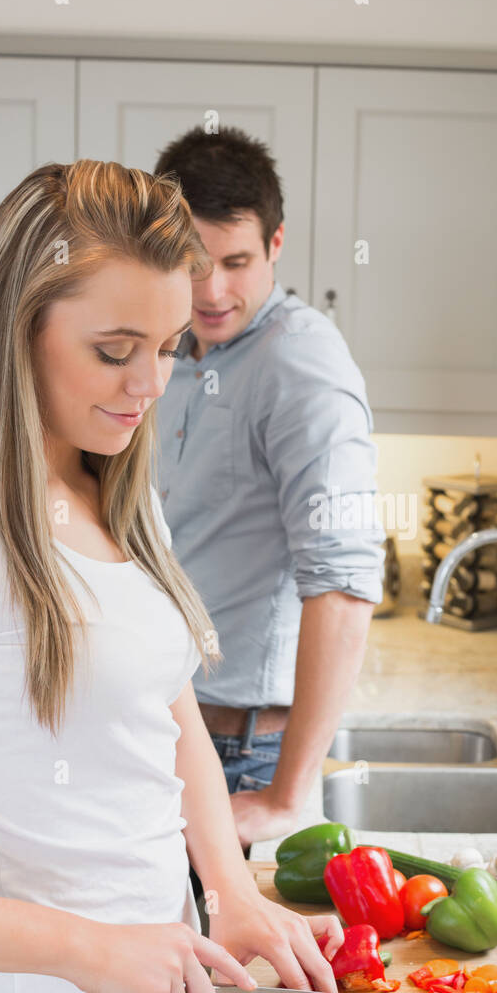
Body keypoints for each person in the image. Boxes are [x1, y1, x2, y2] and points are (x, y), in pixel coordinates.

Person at [0, 160, 343, 993]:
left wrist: (231, 894)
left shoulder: (106, 477)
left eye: (167, 346)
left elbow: (168, 713)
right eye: (115, 349)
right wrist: (93, 950)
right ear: (15, 325)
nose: (149, 384)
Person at [153, 127, 385, 860]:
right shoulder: (172, 350)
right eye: (192, 262)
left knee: (207, 974)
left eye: (237, 262)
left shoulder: (301, 362)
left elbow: (345, 583)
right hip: (166, 732)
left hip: (240, 755)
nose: (212, 290)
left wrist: (285, 796)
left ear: (276, 244)